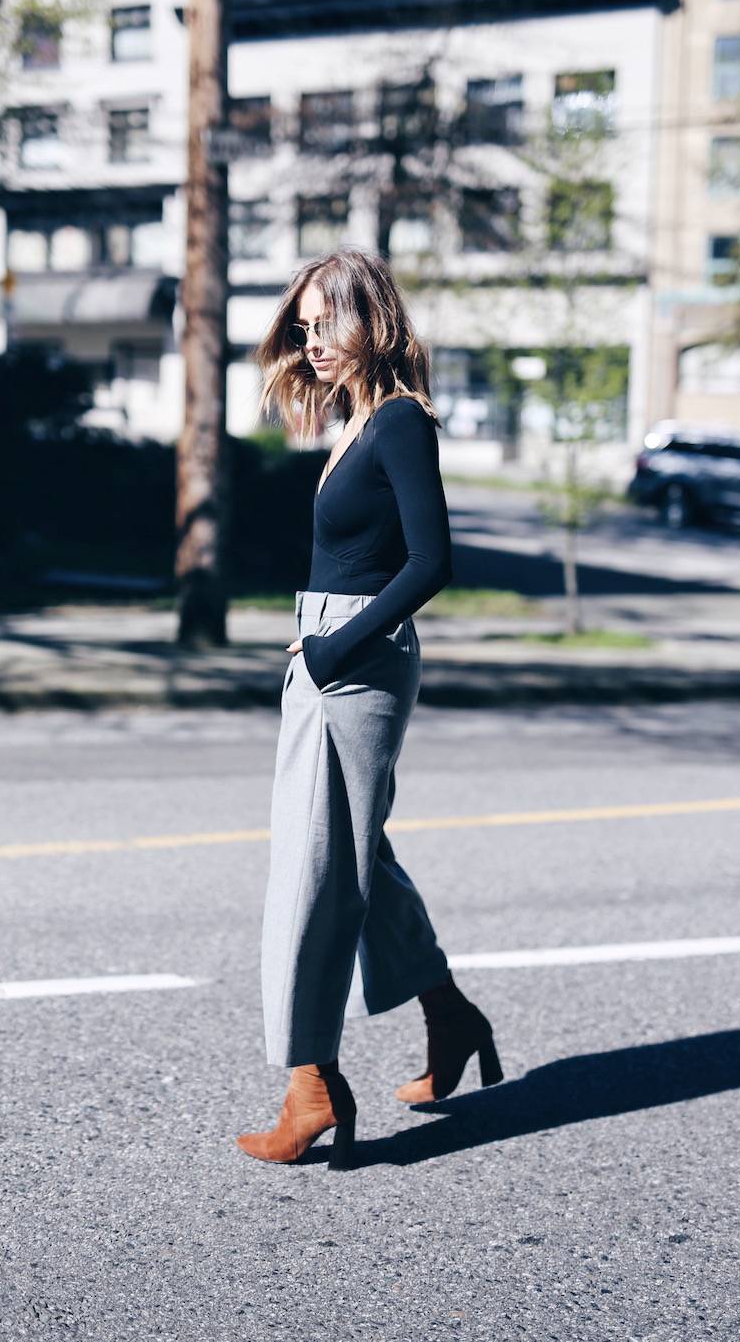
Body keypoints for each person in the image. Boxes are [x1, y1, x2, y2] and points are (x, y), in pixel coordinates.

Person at [236, 249, 502, 1171]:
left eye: (326, 322)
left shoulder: (400, 425)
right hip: (331, 658)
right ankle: (450, 1015)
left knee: (315, 871)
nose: (311, 341)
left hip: (357, 666)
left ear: (371, 318)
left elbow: (432, 564)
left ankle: (310, 1083)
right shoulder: (358, 423)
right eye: (302, 325)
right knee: (357, 854)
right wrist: (316, 639)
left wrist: (333, 647)